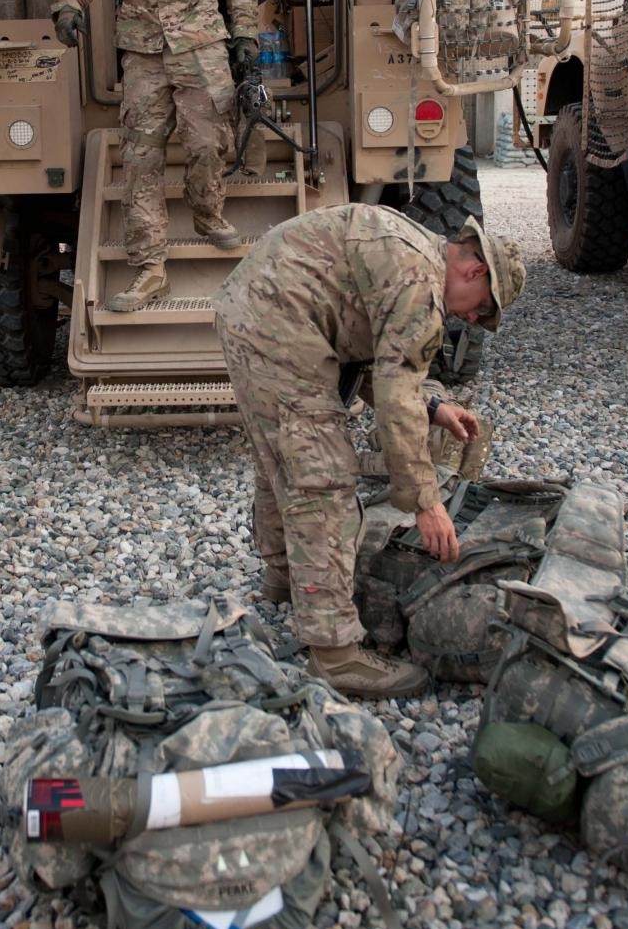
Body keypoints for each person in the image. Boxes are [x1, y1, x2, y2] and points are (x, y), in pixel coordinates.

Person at [213, 204, 525, 699]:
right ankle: (335, 655)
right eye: (481, 307)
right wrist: (426, 502)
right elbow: (395, 396)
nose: (470, 317)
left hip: (253, 309)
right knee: (321, 476)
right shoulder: (420, 285)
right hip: (279, 325)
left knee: (283, 454)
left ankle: (286, 578)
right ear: (475, 269)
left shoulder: (414, 250)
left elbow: (382, 364)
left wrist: (435, 407)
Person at [52, 0, 259, 312]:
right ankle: (149, 270)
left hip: (202, 48)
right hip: (143, 54)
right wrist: (71, 4)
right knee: (140, 157)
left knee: (210, 142)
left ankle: (207, 212)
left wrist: (246, 32)